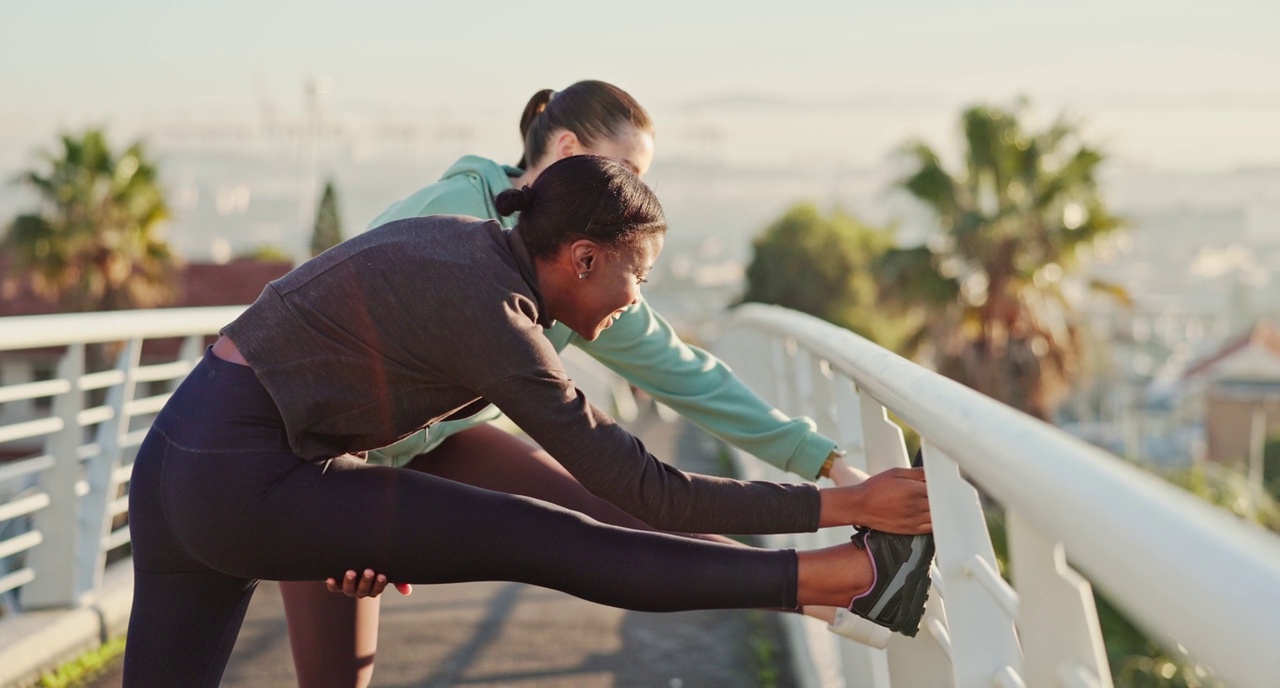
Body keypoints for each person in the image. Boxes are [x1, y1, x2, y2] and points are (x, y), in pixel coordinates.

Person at [122, 156, 933, 687]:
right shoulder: (495, 317)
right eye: (635, 275)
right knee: (553, 540)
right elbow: (644, 490)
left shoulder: (462, 245)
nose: (633, 304)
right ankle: (841, 578)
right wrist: (847, 507)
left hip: (174, 467)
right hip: (246, 477)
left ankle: (830, 581)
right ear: (583, 257)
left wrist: (340, 527)